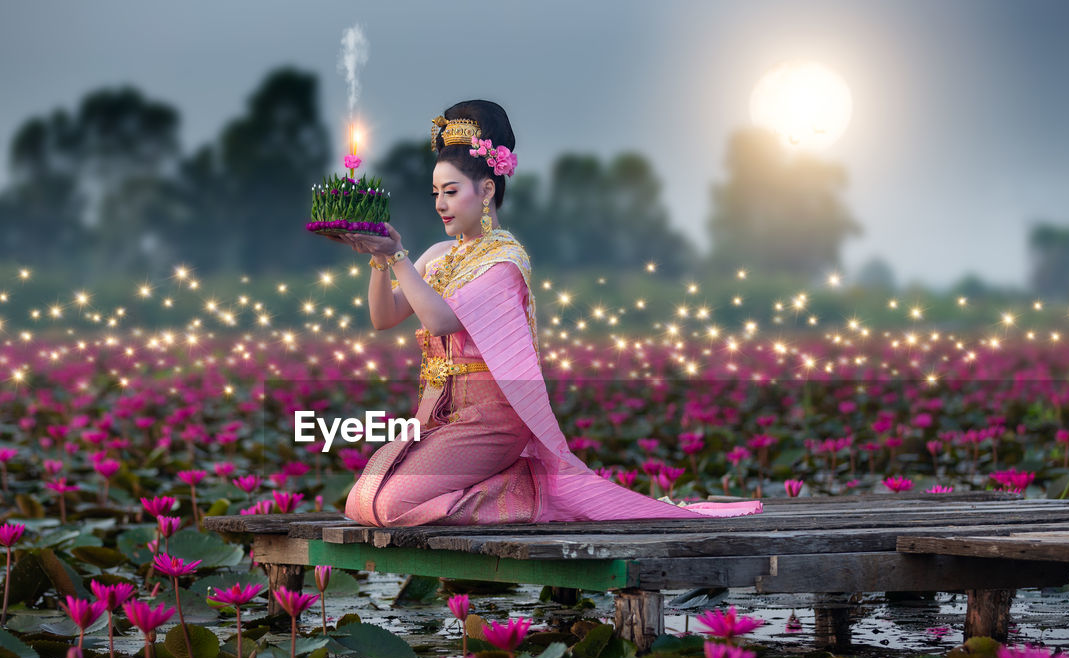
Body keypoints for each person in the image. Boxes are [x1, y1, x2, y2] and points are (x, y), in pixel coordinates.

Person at [324, 99, 762, 526]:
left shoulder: (504, 263)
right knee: (364, 500)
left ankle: (524, 490)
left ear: (488, 189)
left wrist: (397, 253)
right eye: (436, 192)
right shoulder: (438, 256)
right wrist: (378, 259)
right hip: (438, 411)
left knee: (389, 505)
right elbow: (384, 317)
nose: (440, 204)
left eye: (452, 192)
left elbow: (438, 320)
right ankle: (511, 480)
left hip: (491, 422)